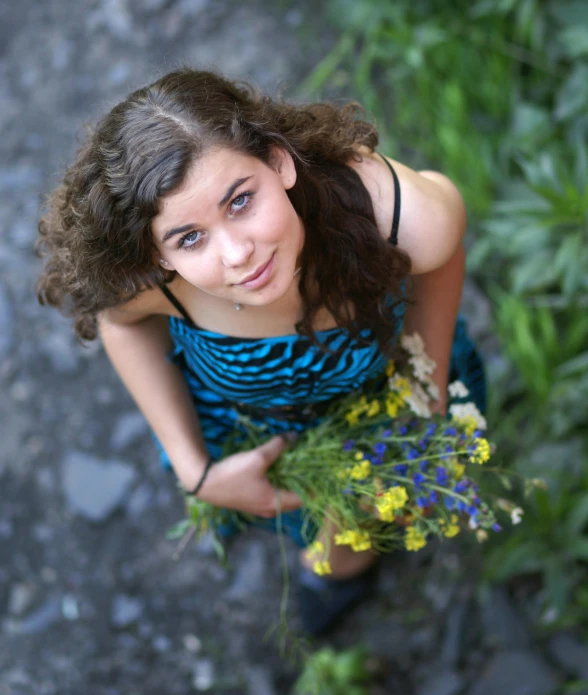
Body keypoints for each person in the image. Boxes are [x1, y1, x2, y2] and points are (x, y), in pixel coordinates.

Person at [37, 68, 485, 636]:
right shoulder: (156, 285)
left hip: (380, 384)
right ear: (160, 255)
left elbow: (441, 252)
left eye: (241, 201)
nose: (238, 253)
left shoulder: (396, 217)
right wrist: (196, 472)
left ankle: (340, 570)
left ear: (279, 162)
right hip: (252, 424)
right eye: (190, 237)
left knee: (363, 527)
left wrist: (426, 395)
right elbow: (120, 326)